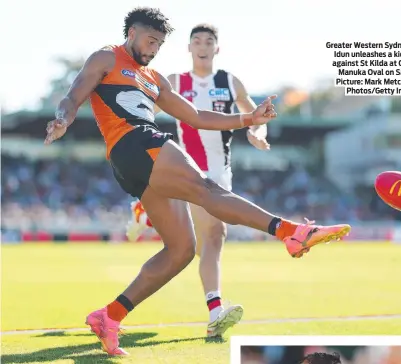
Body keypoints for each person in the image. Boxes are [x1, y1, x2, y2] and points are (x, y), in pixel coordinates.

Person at [44, 7, 351, 357]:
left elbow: (196, 117)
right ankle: (290, 232)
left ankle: (109, 316)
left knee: (181, 250)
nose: (154, 48)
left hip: (135, 162)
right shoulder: (106, 57)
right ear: (131, 33)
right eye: (149, 40)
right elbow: (74, 94)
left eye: (159, 43)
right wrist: (62, 119)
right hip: (135, 142)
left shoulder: (155, 78)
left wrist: (249, 117)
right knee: (207, 190)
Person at [125, 23, 271, 338]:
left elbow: (253, 117)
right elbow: (140, 106)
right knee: (214, 236)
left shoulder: (230, 83)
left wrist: (258, 134)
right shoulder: (175, 82)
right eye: (197, 41)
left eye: (209, 41)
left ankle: (144, 213)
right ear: (189, 48)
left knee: (213, 241)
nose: (203, 46)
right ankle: (216, 309)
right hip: (188, 170)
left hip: (221, 174)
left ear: (216, 48)